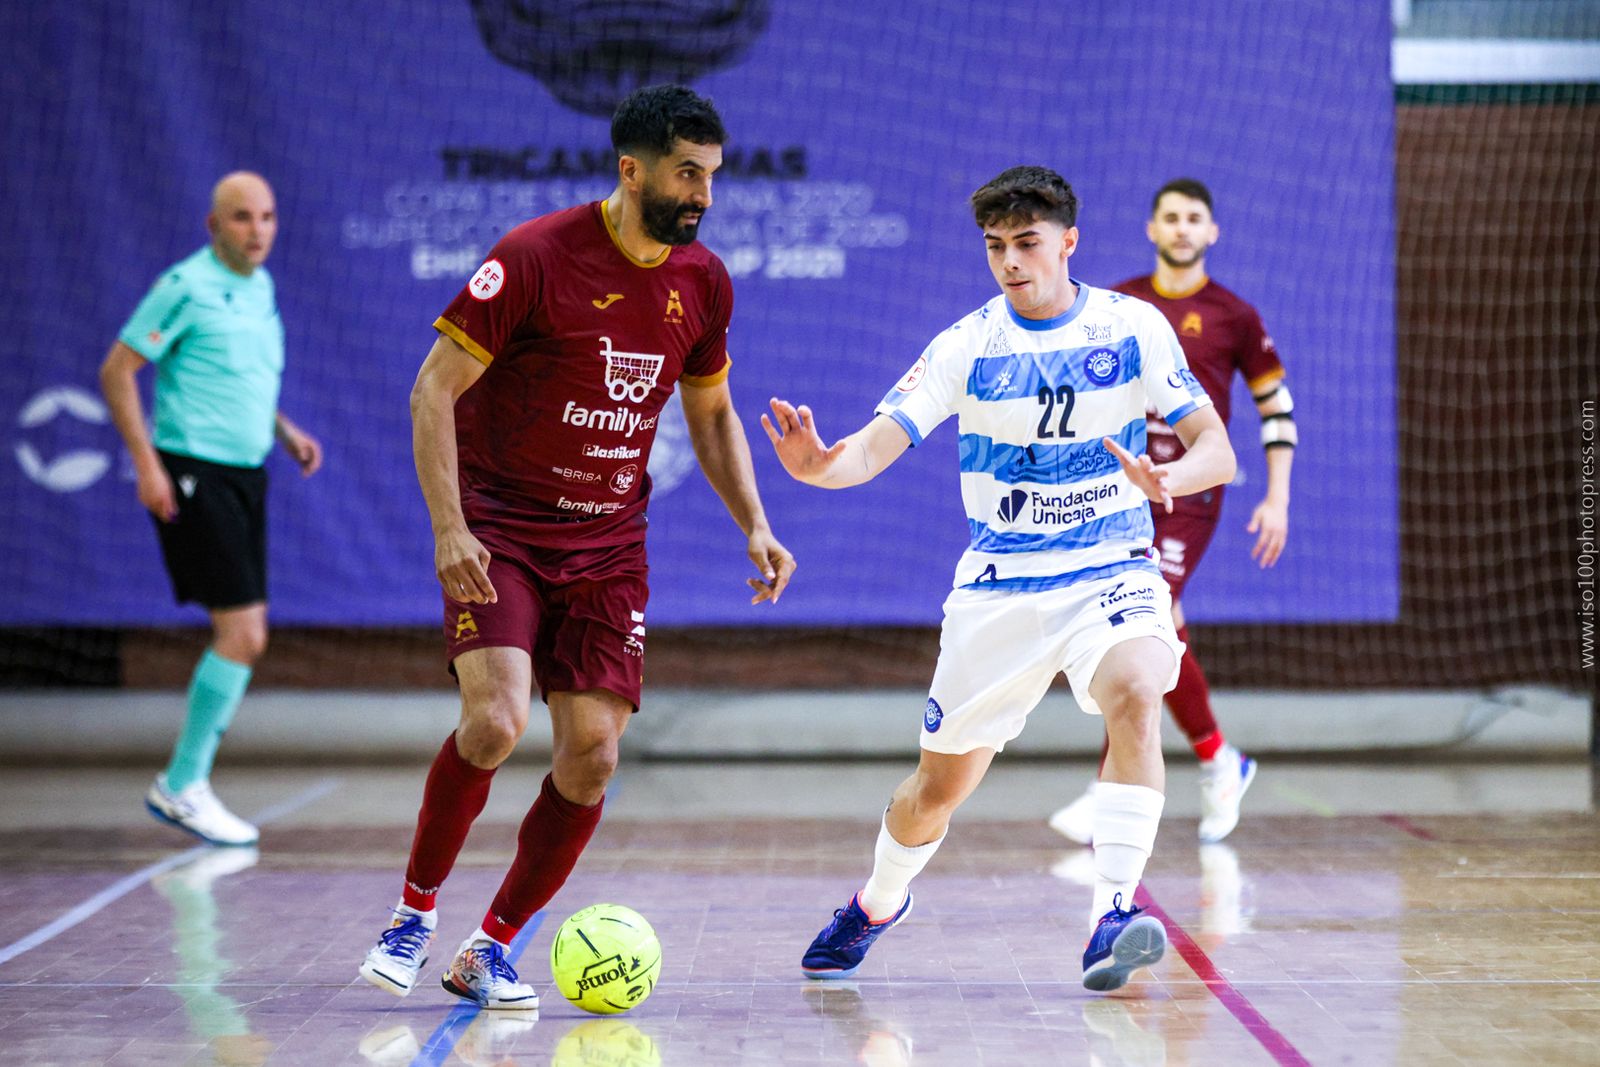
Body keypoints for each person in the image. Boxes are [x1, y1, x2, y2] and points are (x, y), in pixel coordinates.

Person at [358, 84, 795, 1011]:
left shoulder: (703, 281)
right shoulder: (533, 257)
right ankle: (411, 914)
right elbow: (431, 391)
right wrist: (449, 529)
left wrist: (753, 520)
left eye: (711, 175)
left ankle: (490, 948)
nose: (703, 194)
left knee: (593, 754)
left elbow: (710, 413)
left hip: (608, 543)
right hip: (502, 528)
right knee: (495, 722)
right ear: (631, 169)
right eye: (687, 173)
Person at [765, 166, 1235, 993]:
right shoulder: (967, 343)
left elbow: (1216, 447)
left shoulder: (1133, 326)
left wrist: (1173, 479)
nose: (1011, 261)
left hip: (1111, 565)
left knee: (1136, 687)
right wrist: (820, 468)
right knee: (936, 788)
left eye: (1026, 243)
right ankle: (877, 901)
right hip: (1001, 584)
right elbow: (875, 444)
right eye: (996, 247)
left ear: (1068, 242)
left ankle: (1112, 914)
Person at [1048, 178, 1295, 847]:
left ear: (1211, 231)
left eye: (1194, 219)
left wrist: (1277, 495)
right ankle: (1219, 758)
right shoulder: (1120, 304)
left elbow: (1277, 410)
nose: (1182, 229)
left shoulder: (1235, 315)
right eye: (1171, 218)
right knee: (1152, 627)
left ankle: (1113, 792)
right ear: (1152, 229)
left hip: (1190, 494)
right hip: (1126, 488)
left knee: (1139, 622)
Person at [100, 172, 323, 848]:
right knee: (245, 634)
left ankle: (184, 782)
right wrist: (147, 465)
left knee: (247, 632)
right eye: (240, 218)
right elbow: (118, 370)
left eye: (266, 216)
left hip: (247, 473)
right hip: (193, 471)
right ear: (213, 225)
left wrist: (285, 432)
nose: (256, 230)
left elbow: (241, 377)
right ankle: (182, 783)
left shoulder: (261, 287)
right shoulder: (185, 285)